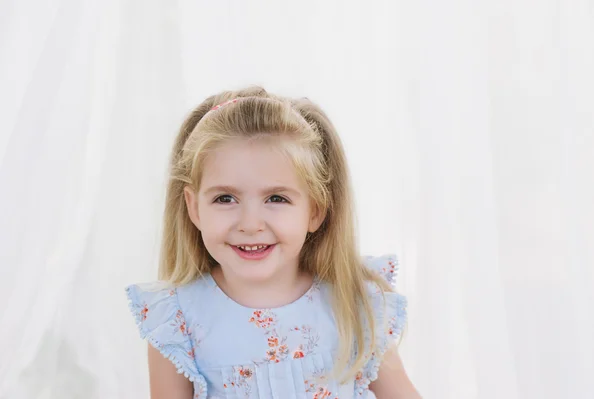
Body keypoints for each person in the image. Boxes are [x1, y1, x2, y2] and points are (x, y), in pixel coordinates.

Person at [125, 86, 421, 399]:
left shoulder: (354, 304)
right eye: (225, 198)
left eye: (276, 198)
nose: (250, 224)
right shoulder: (177, 321)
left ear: (315, 211)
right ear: (194, 207)